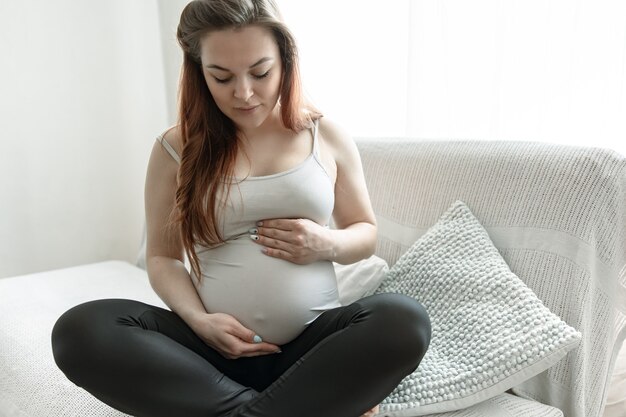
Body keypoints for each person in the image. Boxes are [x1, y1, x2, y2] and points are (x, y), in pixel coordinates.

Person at [51, 1, 431, 416]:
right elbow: (162, 257)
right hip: (210, 356)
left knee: (404, 320)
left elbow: (364, 232)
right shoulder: (175, 149)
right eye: (222, 77)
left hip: (311, 351)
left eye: (261, 72)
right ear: (199, 72)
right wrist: (199, 321)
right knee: (80, 331)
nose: (244, 92)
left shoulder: (326, 136)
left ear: (285, 61)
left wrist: (325, 243)